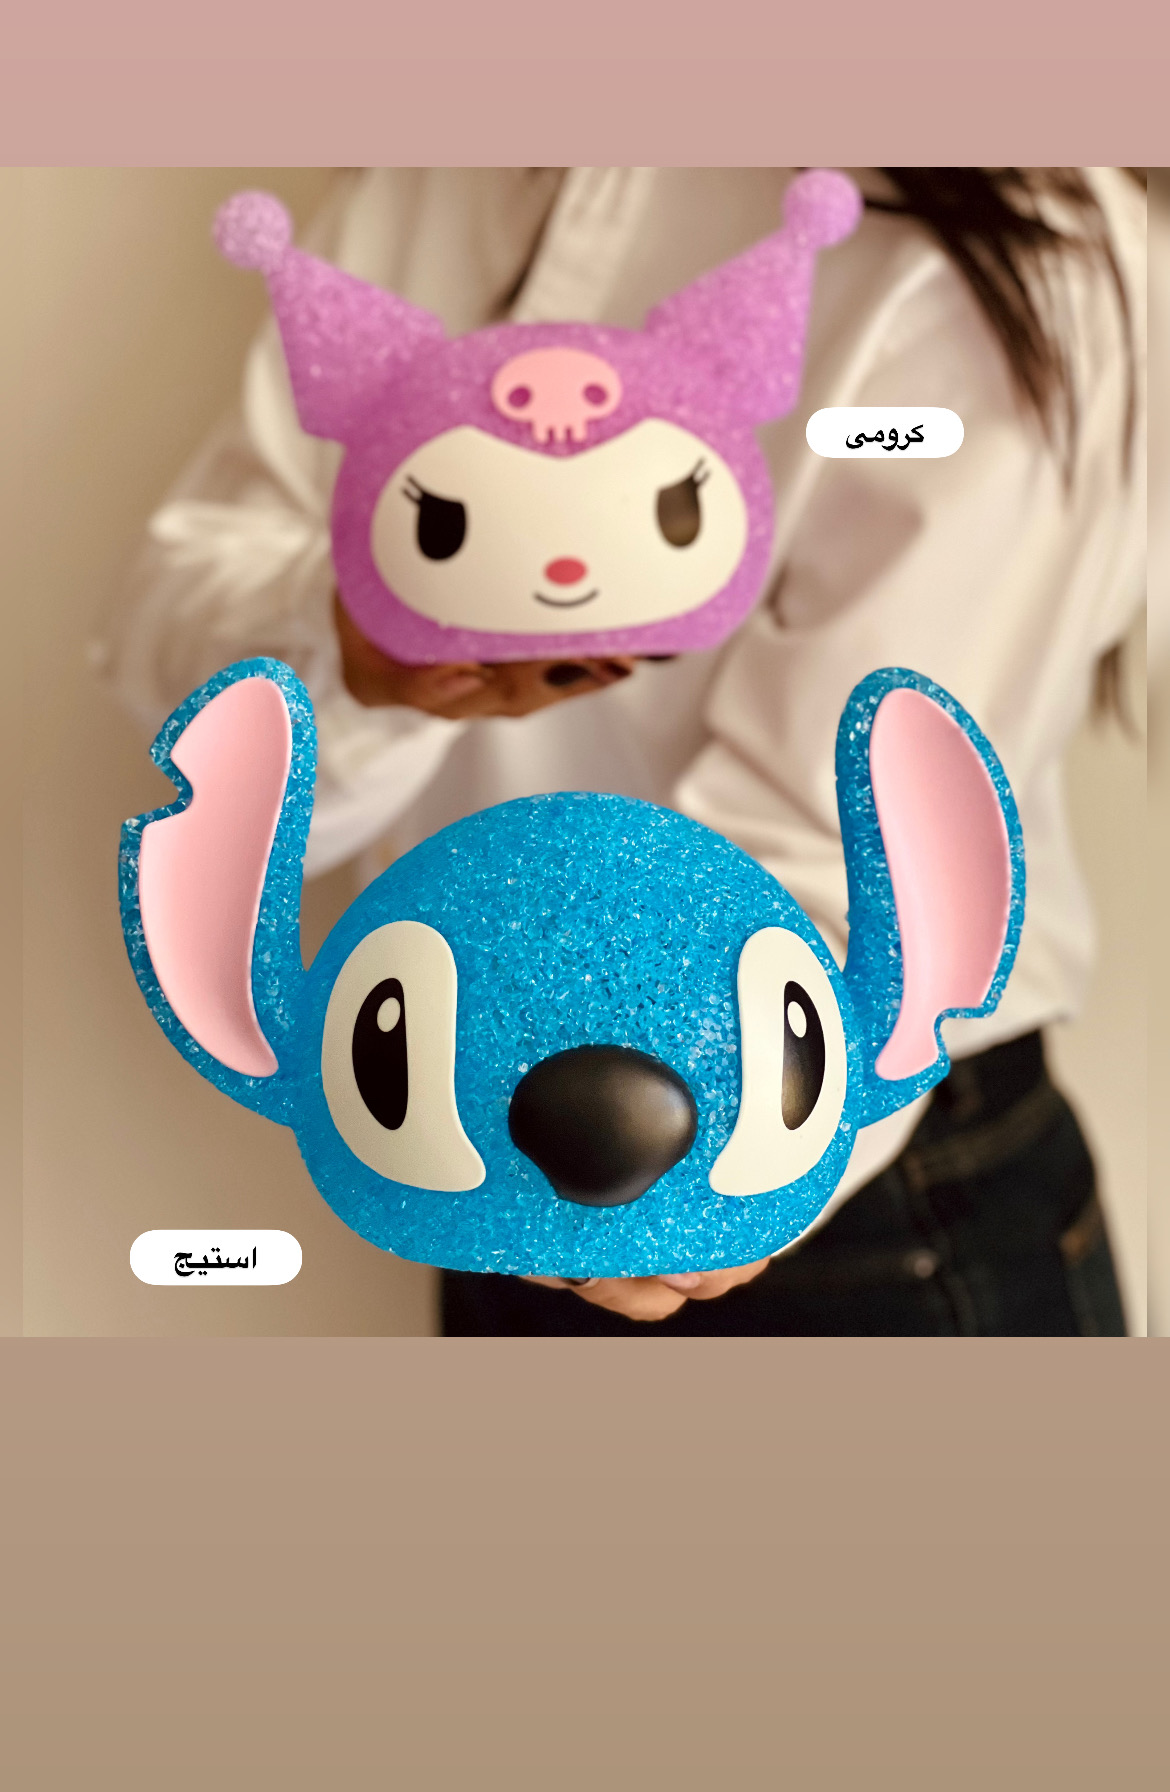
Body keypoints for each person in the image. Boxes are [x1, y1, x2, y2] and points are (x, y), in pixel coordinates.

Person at [96, 167, 1146, 1334]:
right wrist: (356, 648)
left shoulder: (1025, 258)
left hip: (844, 1193)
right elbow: (182, 660)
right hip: (451, 1123)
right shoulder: (445, 171)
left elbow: (852, 850)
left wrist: (708, 1148)